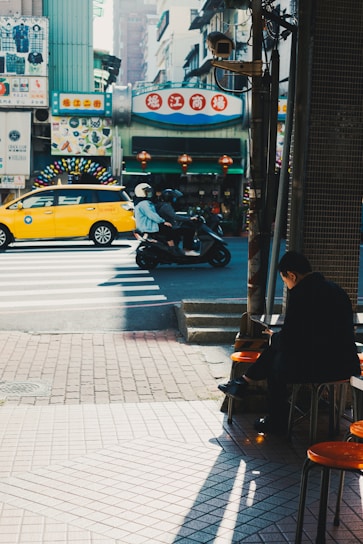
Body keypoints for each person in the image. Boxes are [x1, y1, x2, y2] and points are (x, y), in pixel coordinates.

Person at [218, 251, 361, 434]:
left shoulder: (301, 294)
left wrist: (275, 337)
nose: (287, 285)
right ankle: (243, 382)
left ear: (292, 275)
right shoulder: (337, 290)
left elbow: (291, 340)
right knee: (278, 349)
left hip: (319, 367)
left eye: (285, 281)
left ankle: (274, 418)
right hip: (345, 365)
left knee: (276, 361)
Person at [133, 183, 182, 256]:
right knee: (168, 230)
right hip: (149, 226)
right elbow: (152, 215)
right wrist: (163, 222)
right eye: (147, 191)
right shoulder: (144, 204)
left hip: (148, 225)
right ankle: (172, 249)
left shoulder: (144, 203)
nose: (149, 193)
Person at [155, 189, 200, 256]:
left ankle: (179, 248)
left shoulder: (162, 205)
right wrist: (189, 218)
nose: (175, 199)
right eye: (174, 198)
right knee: (189, 231)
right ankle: (187, 249)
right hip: (169, 227)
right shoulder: (166, 206)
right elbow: (175, 217)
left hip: (168, 226)